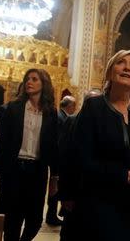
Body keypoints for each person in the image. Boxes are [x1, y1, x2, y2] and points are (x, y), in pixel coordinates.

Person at [72, 50, 130, 240]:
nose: (127, 67)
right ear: (110, 72)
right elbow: (81, 159)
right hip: (99, 199)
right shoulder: (93, 107)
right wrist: (126, 175)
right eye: (121, 62)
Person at [0, 69, 59, 241]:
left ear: (44, 84)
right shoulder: (12, 109)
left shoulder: (51, 112)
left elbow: (53, 146)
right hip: (13, 169)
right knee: (13, 218)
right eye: (27, 79)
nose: (29, 82)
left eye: (34, 79)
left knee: (35, 220)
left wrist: (55, 178)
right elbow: (2, 143)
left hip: (37, 170)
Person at [58, 89, 101, 241]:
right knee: (71, 232)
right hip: (76, 189)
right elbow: (65, 158)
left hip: (97, 193)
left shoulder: (105, 123)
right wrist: (65, 194)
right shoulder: (72, 120)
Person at [45, 95, 76, 226]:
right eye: (74, 105)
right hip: (58, 160)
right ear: (69, 106)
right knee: (55, 188)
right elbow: (59, 142)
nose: (75, 108)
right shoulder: (62, 118)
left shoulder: (62, 116)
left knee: (56, 188)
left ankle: (53, 213)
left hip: (58, 160)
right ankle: (51, 215)